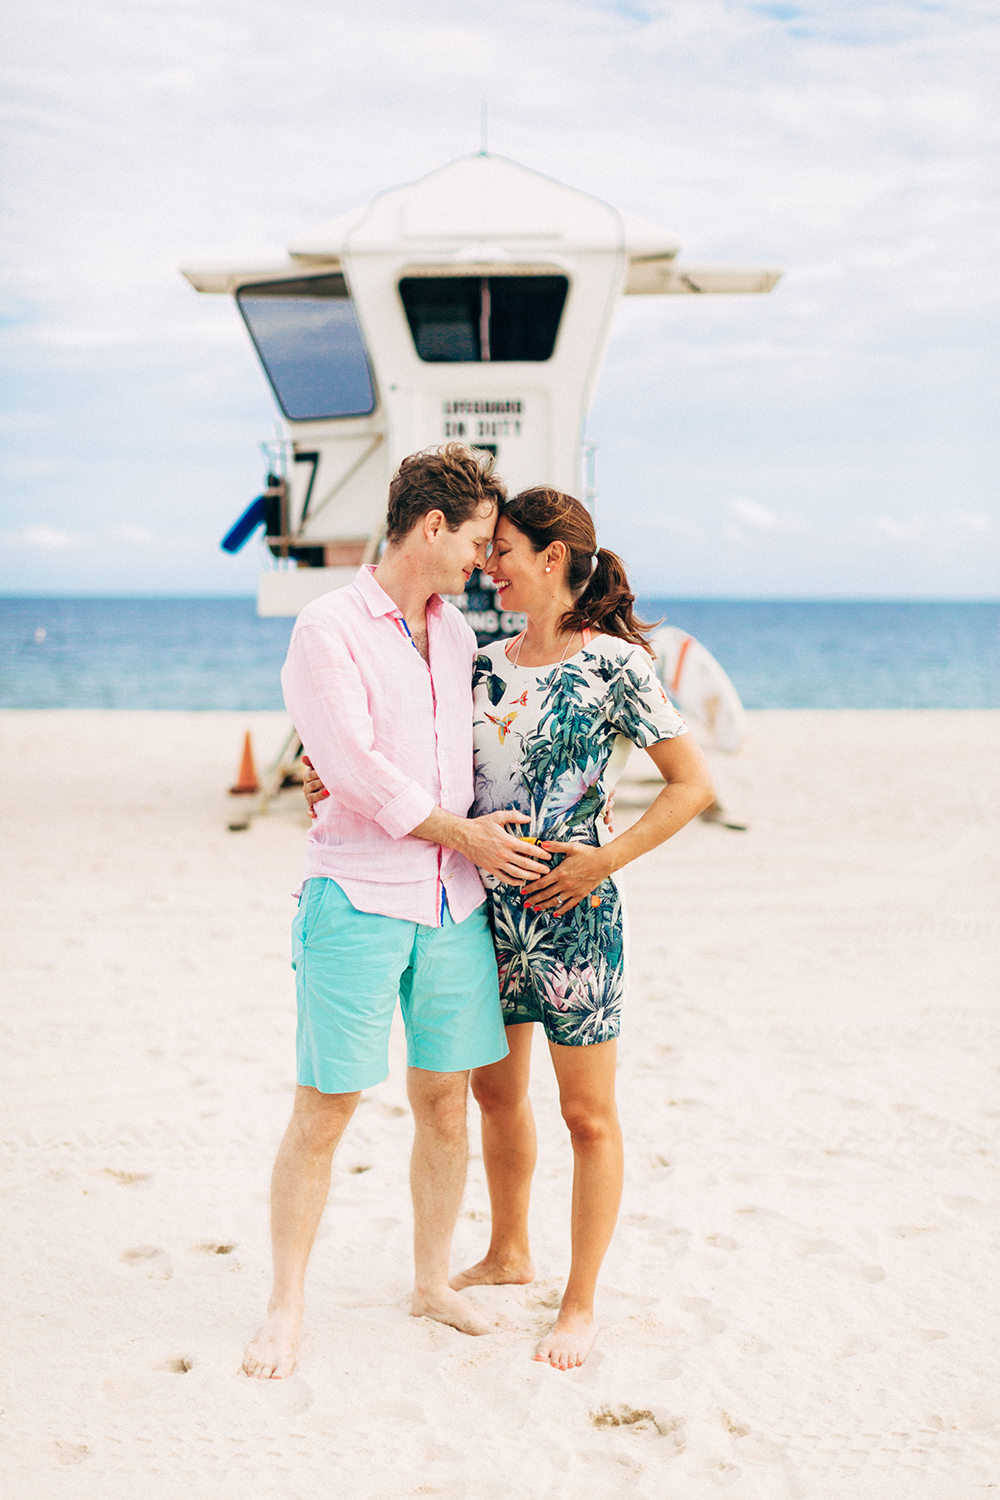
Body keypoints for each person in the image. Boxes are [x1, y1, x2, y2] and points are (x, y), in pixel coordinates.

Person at [306, 485, 715, 1370]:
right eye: (485, 551)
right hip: (483, 912)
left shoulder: (616, 667)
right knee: (494, 1097)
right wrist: (323, 773)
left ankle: (579, 1302)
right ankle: (508, 1251)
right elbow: (399, 740)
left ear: (553, 560)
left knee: (588, 1115)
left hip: (578, 918)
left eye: (505, 553)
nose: (489, 567)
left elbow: (692, 786)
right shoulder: (477, 661)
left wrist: (604, 861)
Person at [243, 444, 552, 1381]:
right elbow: (359, 770)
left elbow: (464, 742)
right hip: (357, 897)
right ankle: (285, 1307)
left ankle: (429, 1281)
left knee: (444, 1105)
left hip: (450, 904)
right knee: (327, 1106)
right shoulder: (326, 627)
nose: (482, 560)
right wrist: (465, 834)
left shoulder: (455, 632)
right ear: (431, 526)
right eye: (475, 540)